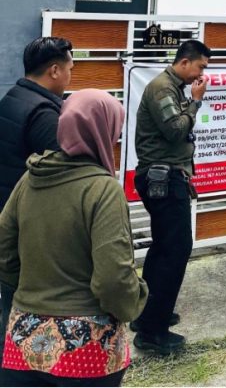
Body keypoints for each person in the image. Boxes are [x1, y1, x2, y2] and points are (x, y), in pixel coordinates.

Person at [0, 89, 148, 386]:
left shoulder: (29, 179)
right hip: (86, 352)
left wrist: (30, 295)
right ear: (102, 130)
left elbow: (4, 251)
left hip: (22, 344)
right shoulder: (102, 190)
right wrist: (136, 300)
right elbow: (113, 279)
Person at [131, 40, 210, 354]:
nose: (201, 74)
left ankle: (149, 314)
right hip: (162, 179)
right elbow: (176, 130)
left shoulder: (172, 87)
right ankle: (152, 332)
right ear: (186, 62)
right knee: (175, 249)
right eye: (200, 67)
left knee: (164, 247)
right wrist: (195, 102)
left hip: (165, 177)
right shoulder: (163, 89)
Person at [0, 36, 73, 357]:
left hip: (9, 211)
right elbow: (59, 174)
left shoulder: (14, 97)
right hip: (27, 222)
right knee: (21, 300)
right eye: (70, 67)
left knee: (9, 292)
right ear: (54, 70)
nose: (72, 74)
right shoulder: (44, 113)